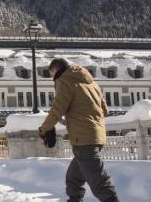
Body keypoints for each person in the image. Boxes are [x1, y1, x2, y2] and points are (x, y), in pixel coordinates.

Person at [39, 58, 119, 202]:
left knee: (99, 182)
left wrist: (44, 129)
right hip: (95, 135)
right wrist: (76, 118)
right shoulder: (90, 81)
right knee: (73, 179)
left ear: (56, 70)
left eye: (51, 75)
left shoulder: (64, 79)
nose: (52, 78)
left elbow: (58, 108)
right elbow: (104, 109)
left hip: (84, 139)